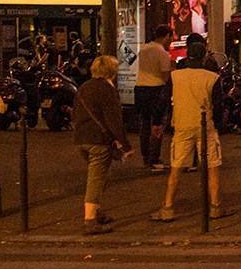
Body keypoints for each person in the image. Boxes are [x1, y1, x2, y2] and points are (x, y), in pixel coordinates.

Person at [151, 41, 232, 221]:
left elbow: (163, 100)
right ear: (204, 56)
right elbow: (218, 105)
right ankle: (215, 206)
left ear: (188, 55)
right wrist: (218, 124)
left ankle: (168, 207)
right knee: (212, 165)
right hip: (206, 125)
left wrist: (157, 122)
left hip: (182, 124)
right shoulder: (212, 78)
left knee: (176, 166)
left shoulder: (175, 77)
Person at [73, 54, 132, 234]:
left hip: (81, 138)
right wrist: (125, 145)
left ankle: (97, 211)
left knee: (101, 175)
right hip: (98, 140)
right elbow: (114, 120)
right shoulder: (107, 90)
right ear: (112, 72)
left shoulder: (83, 87)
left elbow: (74, 112)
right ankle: (90, 220)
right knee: (97, 179)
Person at [134, 25, 174, 171]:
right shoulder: (162, 53)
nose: (171, 41)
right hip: (156, 90)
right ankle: (154, 158)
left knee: (144, 124)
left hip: (140, 88)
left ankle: (146, 156)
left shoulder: (143, 49)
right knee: (157, 125)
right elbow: (165, 76)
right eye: (171, 38)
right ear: (166, 36)